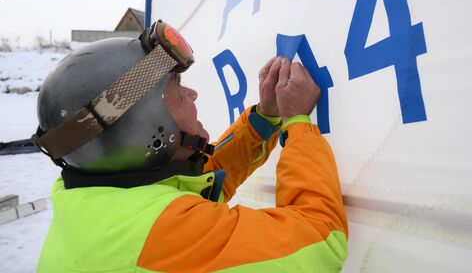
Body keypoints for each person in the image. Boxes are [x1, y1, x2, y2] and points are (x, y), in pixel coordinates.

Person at [34, 21, 348, 272]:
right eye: (178, 91)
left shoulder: (95, 195)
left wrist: (264, 119)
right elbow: (320, 240)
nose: (193, 95)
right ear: (147, 126)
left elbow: (197, 186)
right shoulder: (156, 233)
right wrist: (297, 122)